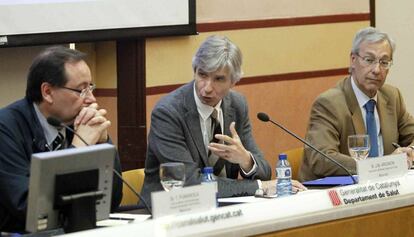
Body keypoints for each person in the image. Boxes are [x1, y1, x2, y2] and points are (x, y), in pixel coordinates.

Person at [141, 35, 305, 206]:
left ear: (233, 81)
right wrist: (257, 186)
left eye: (218, 79)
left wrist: (246, 160)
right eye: (202, 75)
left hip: (222, 209)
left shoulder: (237, 105)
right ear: (194, 71)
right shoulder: (168, 113)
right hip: (167, 212)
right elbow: (190, 185)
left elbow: (264, 172)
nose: (207, 88)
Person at [0, 46, 123, 232]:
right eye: (81, 90)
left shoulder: (78, 122)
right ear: (47, 92)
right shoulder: (6, 128)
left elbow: (110, 201)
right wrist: (79, 149)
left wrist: (102, 144)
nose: (91, 99)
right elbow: (27, 208)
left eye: (90, 87)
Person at [299, 27, 414, 182]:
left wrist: (410, 151)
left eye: (384, 62)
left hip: (385, 188)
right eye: (369, 60)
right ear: (353, 60)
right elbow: (321, 159)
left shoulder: (392, 96)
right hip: (336, 194)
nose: (376, 70)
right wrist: (380, 166)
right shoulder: (329, 103)